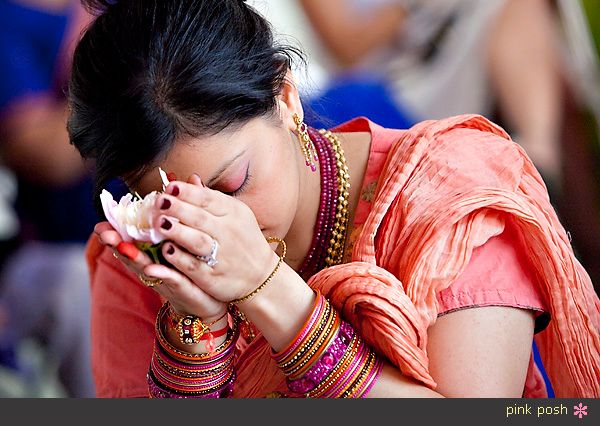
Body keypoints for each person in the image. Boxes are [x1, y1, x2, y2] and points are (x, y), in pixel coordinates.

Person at [68, 0, 600, 398]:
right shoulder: (144, 263)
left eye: (232, 185)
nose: (216, 225)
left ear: (285, 97)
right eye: (173, 203)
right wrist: (194, 329)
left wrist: (269, 294)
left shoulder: (449, 194)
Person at [0, 0, 96, 397]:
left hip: (169, 224)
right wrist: (134, 72)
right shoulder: (9, 21)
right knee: (79, 281)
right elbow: (48, 155)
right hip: (55, 254)